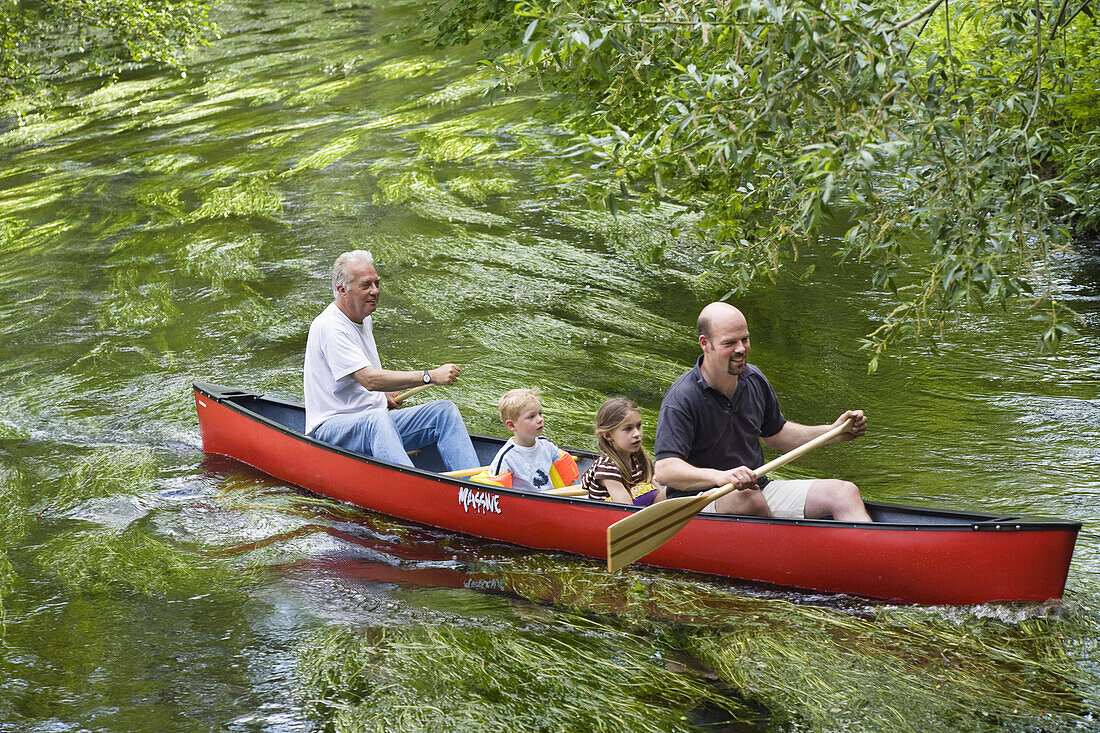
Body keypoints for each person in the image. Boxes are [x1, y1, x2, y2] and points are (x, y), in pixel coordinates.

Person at [653, 302, 872, 522]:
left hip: (756, 489)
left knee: (844, 493)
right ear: (705, 344)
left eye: (745, 339)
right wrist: (721, 477)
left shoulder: (754, 379)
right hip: (698, 501)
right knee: (748, 499)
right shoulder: (682, 397)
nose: (741, 349)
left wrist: (832, 432)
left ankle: (871, 555)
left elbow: (776, 434)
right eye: (730, 343)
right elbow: (665, 470)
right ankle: (788, 551)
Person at [304, 250, 479, 471]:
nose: (375, 291)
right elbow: (369, 380)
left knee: (444, 412)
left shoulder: (362, 318)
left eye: (377, 283)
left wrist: (382, 395)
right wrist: (429, 376)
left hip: (372, 422)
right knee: (376, 419)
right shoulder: (331, 326)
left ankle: (474, 489)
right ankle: (413, 490)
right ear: (342, 290)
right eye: (366, 285)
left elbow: (361, 379)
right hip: (331, 430)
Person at [486, 388, 577, 492]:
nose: (540, 419)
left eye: (540, 413)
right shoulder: (506, 458)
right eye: (531, 416)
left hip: (552, 500)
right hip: (524, 504)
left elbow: (569, 482)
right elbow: (497, 493)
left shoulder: (548, 446)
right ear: (512, 425)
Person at [580, 397, 665, 506]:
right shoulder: (607, 469)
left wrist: (675, 487)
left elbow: (658, 502)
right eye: (628, 429)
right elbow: (626, 510)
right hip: (617, 520)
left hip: (642, 515)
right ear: (608, 435)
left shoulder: (638, 460)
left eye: (639, 426)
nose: (637, 434)